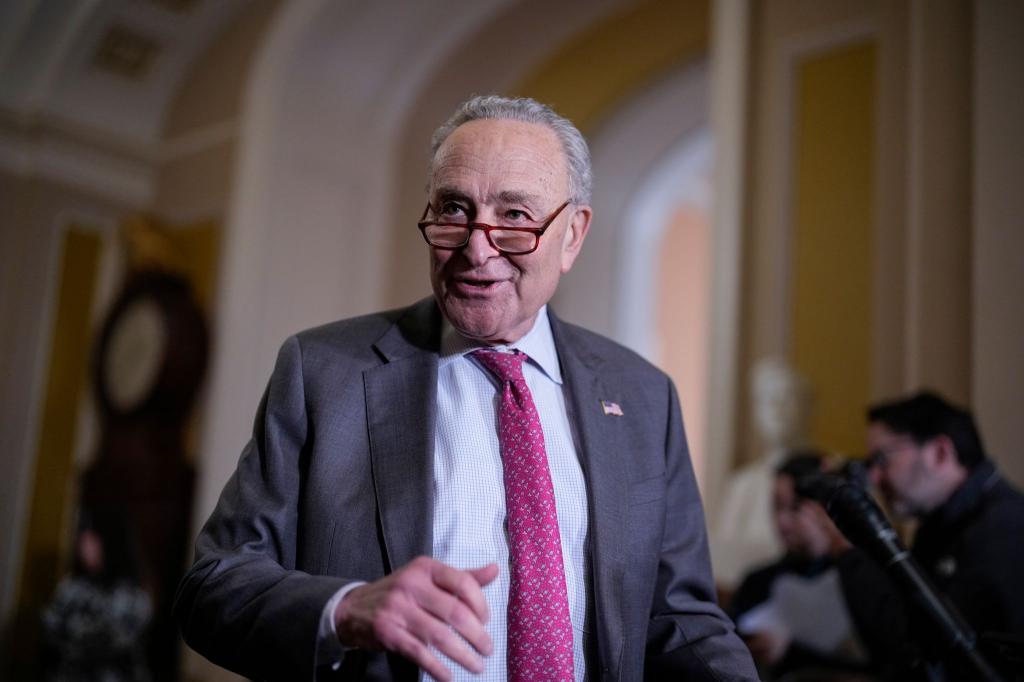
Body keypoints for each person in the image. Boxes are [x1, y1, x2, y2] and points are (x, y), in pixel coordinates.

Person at [173, 95, 757, 681]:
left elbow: (681, 622)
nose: (478, 249)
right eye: (454, 209)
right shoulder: (324, 373)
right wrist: (345, 610)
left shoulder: (642, 395)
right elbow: (212, 588)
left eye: (515, 216)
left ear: (573, 234)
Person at [834, 391, 1024, 680]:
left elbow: (923, 652)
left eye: (882, 459)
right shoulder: (944, 526)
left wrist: (850, 549)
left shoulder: (1005, 530)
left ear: (940, 452)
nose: (874, 478)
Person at [729, 452, 870, 681]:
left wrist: (791, 652)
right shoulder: (758, 581)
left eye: (795, 507)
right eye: (776, 507)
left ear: (826, 508)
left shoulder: (861, 582)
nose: (781, 521)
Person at [711, 358, 813, 590]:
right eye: (768, 401)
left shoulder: (831, 475)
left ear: (806, 405)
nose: (777, 410)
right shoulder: (742, 485)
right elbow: (723, 558)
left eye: (787, 398)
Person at [40, 508, 152, 682]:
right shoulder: (71, 586)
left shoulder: (132, 596)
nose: (83, 545)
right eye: (83, 538)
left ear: (110, 542)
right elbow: (50, 628)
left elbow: (107, 641)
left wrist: (73, 635)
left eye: (92, 538)